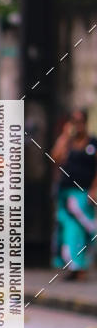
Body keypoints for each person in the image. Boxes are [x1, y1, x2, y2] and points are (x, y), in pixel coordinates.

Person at [51, 109, 97, 280]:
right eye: (73, 121)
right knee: (68, 230)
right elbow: (55, 158)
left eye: (79, 121)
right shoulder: (68, 143)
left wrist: (94, 189)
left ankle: (81, 266)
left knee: (83, 229)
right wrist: (65, 136)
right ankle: (73, 266)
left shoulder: (93, 143)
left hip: (83, 194)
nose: (76, 125)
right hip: (66, 192)